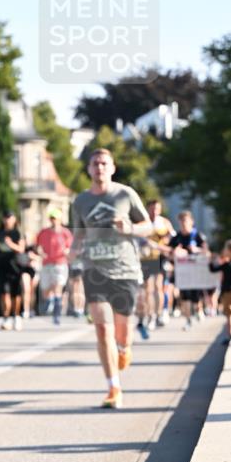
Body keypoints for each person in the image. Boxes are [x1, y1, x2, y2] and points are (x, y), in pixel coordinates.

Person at [71, 148, 153, 409]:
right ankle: (113, 387)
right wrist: (73, 252)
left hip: (125, 270)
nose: (100, 168)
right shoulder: (80, 201)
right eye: (95, 163)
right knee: (102, 328)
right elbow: (79, 234)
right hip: (94, 270)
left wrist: (130, 228)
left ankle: (124, 348)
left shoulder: (125, 194)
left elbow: (149, 226)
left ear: (112, 168)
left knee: (122, 333)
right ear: (89, 169)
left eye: (104, 163)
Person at [136, 199, 174, 338]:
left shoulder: (164, 222)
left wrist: (165, 242)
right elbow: (137, 237)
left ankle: (159, 313)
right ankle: (150, 315)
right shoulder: (143, 222)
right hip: (145, 258)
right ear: (147, 209)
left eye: (157, 209)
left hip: (159, 257)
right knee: (148, 289)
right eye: (152, 209)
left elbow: (172, 237)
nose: (154, 211)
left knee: (158, 287)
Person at [168, 211, 208, 330]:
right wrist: (174, 253)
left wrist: (196, 250)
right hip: (182, 273)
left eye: (185, 221)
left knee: (196, 296)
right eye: (181, 221)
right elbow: (169, 253)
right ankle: (188, 320)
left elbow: (206, 252)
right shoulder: (176, 238)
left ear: (191, 222)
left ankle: (198, 309)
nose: (183, 224)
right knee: (185, 296)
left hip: (196, 271)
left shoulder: (197, 235)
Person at [36, 207, 72, 325]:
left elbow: (70, 246)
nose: (53, 220)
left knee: (58, 288)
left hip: (60, 264)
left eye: (55, 218)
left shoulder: (65, 233)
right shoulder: (44, 232)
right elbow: (38, 246)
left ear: (59, 219)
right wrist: (41, 252)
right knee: (46, 290)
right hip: (47, 263)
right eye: (52, 218)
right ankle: (50, 301)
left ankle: (56, 315)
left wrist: (67, 251)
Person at [0, 211, 25, 330]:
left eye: (9, 218)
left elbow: (21, 249)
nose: (7, 220)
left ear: (14, 219)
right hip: (2, 266)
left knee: (16, 294)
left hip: (15, 267)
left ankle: (16, 316)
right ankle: (5, 317)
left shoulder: (17, 233)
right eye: (5, 218)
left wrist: (10, 244)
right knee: (4, 293)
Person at [209, 240, 231, 345]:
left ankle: (230, 335)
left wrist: (210, 260)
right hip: (228, 291)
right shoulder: (226, 263)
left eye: (225, 249)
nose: (223, 251)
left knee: (229, 314)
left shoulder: (227, 264)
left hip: (228, 291)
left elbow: (213, 269)